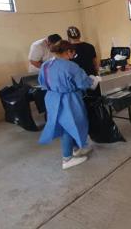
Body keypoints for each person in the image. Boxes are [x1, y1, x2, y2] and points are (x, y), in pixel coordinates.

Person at [38, 40, 100, 170]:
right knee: (69, 127)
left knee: (64, 125)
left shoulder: (45, 65)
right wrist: (94, 80)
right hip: (68, 99)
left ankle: (76, 149)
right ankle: (67, 159)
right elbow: (83, 83)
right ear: (68, 52)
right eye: (73, 53)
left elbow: (42, 82)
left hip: (51, 98)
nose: (74, 56)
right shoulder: (71, 66)